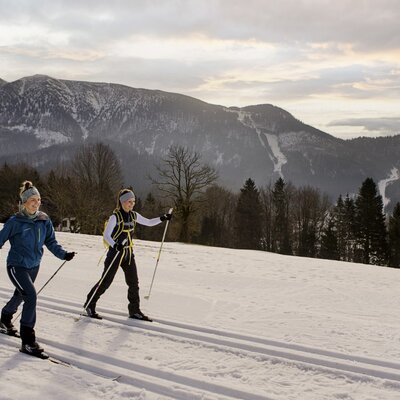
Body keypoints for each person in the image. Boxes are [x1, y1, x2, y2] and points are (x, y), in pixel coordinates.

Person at [0, 181, 75, 359]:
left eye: (38, 199)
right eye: (32, 200)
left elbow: (51, 242)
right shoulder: (15, 222)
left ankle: (4, 319)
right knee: (31, 296)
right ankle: (27, 341)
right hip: (16, 266)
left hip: (34, 265)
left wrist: (63, 255)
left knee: (21, 294)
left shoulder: (44, 220)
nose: (36, 203)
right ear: (24, 202)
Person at [84, 188, 172, 321]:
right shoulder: (115, 217)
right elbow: (107, 235)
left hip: (128, 254)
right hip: (116, 253)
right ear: (122, 202)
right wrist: (115, 245)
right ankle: (90, 304)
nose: (132, 204)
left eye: (134, 201)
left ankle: (134, 311)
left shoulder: (133, 215)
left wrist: (163, 218)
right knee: (106, 281)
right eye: (129, 201)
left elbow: (148, 222)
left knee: (133, 282)